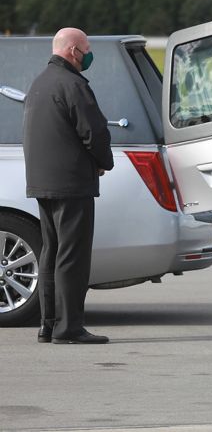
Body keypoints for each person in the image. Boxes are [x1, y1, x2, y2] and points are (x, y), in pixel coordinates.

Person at [23, 27, 114, 344]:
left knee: (51, 253)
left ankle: (49, 324)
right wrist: (104, 161)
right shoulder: (73, 85)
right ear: (74, 50)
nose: (88, 54)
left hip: (43, 183)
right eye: (86, 48)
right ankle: (69, 327)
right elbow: (95, 132)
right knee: (72, 257)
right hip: (72, 183)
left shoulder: (39, 84)